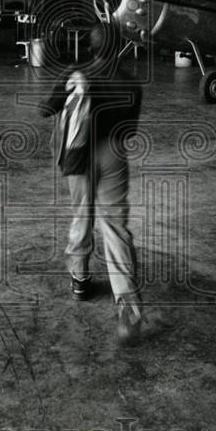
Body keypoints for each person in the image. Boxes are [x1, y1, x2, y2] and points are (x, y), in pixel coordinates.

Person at [39, 23, 145, 344]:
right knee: (115, 224)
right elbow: (129, 131)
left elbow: (45, 109)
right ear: (118, 49)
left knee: (80, 214)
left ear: (92, 46)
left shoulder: (76, 72)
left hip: (78, 156)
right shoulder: (131, 82)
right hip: (113, 153)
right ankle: (127, 308)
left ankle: (81, 279)